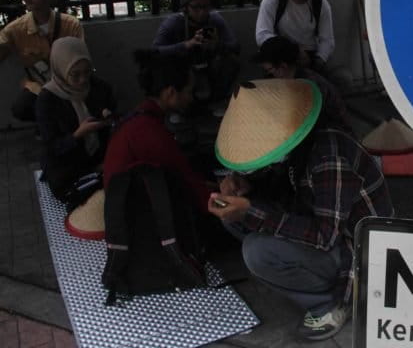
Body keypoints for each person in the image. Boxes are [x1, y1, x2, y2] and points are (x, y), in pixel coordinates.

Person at [209, 79, 394, 341]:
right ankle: (309, 281)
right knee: (233, 219)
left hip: (360, 252)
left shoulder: (329, 157)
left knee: (256, 250)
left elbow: (325, 236)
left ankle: (330, 304)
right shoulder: (297, 148)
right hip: (325, 228)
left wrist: (251, 210)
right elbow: (289, 193)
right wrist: (246, 188)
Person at [102, 50, 210, 214]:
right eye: (189, 91)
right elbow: (188, 183)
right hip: (130, 216)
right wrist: (223, 203)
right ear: (171, 93)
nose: (191, 98)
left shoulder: (141, 115)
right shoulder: (148, 130)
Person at [36, 37, 116, 203]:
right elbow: (52, 146)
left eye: (87, 72)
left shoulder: (99, 87)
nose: (83, 80)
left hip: (97, 156)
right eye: (75, 75)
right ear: (60, 70)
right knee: (70, 191)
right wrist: (77, 135)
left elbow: (112, 115)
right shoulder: (47, 99)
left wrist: (108, 115)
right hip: (67, 162)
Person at [0, 0, 83, 122]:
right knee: (21, 108)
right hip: (38, 87)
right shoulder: (16, 29)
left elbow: (80, 60)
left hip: (68, 84)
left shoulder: (70, 24)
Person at [153, 0, 240, 109]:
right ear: (185, 7)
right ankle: (179, 108)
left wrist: (217, 45)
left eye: (206, 6)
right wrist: (187, 45)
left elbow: (235, 46)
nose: (202, 12)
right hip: (184, 68)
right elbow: (155, 51)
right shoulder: (173, 23)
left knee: (231, 62)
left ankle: (216, 101)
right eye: (196, 7)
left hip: (209, 68)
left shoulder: (214, 19)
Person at [255, 0, 335, 73]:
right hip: (281, 55)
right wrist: (293, 50)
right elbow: (262, 35)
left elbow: (327, 40)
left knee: (339, 79)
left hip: (311, 56)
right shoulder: (274, 0)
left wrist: (319, 60)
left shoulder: (321, 4)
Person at [256, 35, 351, 132]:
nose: (270, 75)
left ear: (283, 67)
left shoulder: (306, 87)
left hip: (333, 133)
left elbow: (302, 125)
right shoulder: (295, 78)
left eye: (270, 70)